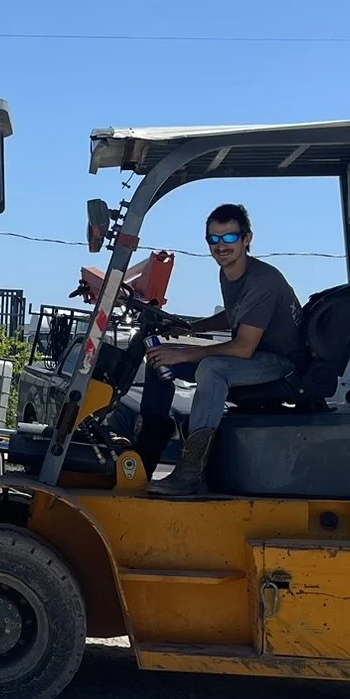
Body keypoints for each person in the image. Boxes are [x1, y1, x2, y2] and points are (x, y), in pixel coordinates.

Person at [138, 203, 303, 497]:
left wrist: (184, 353)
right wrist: (191, 329)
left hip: (281, 364)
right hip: (255, 357)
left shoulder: (263, 280)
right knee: (159, 357)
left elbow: (243, 347)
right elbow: (236, 315)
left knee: (212, 369)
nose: (221, 246)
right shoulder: (228, 274)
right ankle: (149, 447)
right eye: (213, 239)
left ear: (246, 239)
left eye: (229, 237)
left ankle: (190, 473)